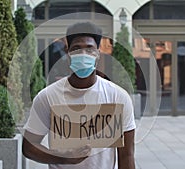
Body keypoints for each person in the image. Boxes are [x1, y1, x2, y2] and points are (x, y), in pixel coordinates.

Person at [22, 22, 136, 169]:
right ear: (67, 53)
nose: (83, 55)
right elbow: (29, 147)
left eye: (89, 49)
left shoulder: (118, 97)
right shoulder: (48, 97)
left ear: (98, 55)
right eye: (76, 49)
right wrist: (64, 158)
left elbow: (126, 155)